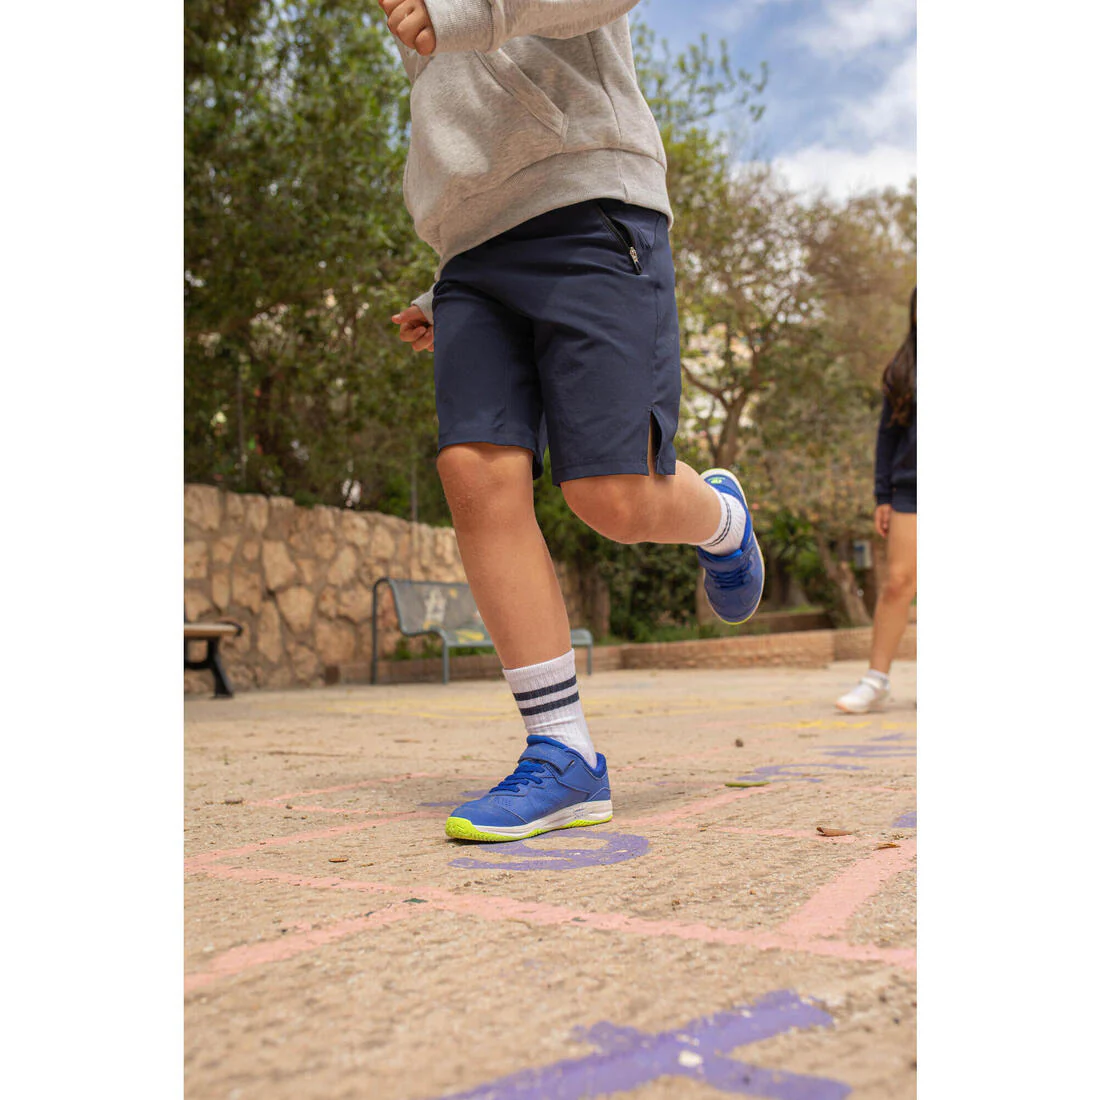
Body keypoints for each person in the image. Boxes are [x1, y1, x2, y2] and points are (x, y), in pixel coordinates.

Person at [379, 0, 765, 840]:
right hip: (469, 255)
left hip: (591, 206)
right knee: (473, 472)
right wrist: (448, 282)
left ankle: (723, 520)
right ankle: (563, 754)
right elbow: (467, 120)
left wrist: (472, 12)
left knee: (612, 498)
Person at [836, 288, 917, 714]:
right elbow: (888, 436)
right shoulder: (903, 369)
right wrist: (882, 494)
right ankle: (876, 680)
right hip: (912, 487)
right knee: (898, 582)